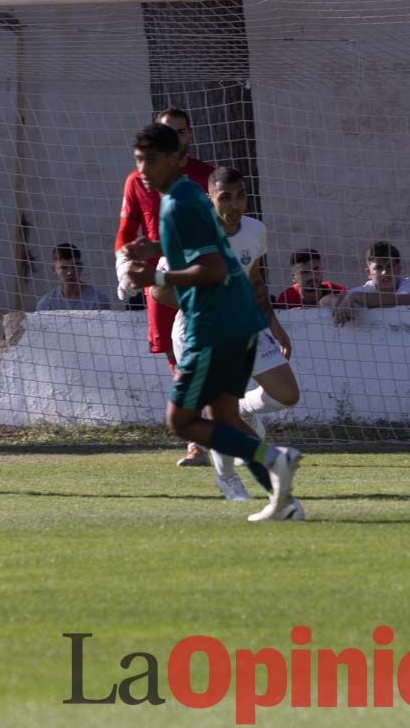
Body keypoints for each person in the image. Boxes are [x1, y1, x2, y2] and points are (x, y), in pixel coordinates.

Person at [122, 123, 303, 521]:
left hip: (212, 328)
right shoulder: (184, 200)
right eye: (138, 161)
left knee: (183, 420)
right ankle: (283, 501)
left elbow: (211, 269)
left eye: (152, 160)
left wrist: (152, 278)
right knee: (225, 419)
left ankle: (274, 460)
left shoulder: (182, 204)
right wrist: (153, 251)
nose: (143, 170)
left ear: (179, 159)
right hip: (227, 323)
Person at [151, 167, 302, 500]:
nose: (235, 205)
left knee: (287, 394)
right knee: (218, 414)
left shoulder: (254, 231)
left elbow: (255, 281)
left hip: (245, 324)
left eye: (241, 196)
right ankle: (228, 479)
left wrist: (274, 326)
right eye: (225, 198)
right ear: (210, 199)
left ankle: (242, 411)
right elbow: (158, 290)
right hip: (199, 329)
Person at [114, 106, 215, 466]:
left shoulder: (205, 178)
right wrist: (123, 265)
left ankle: (224, 427)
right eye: (164, 131)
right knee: (177, 355)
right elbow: (126, 233)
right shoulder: (137, 181)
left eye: (179, 132)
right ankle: (200, 439)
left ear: (188, 137)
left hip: (202, 275)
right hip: (159, 279)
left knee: (212, 351)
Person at [329, 241, 410, 326]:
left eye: (390, 266)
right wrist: (338, 303)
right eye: (379, 268)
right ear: (368, 273)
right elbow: (323, 301)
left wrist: (353, 297)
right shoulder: (367, 289)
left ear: (398, 269)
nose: (385, 272)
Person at [35, 243, 111, 311]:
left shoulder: (98, 300)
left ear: (81, 267)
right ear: (54, 269)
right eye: (64, 268)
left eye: (74, 266)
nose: (70, 272)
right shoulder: (46, 304)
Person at [274, 249, 347, 308]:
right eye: (305, 272)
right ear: (293, 277)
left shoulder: (338, 291)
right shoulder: (287, 298)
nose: (312, 276)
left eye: (316, 269)